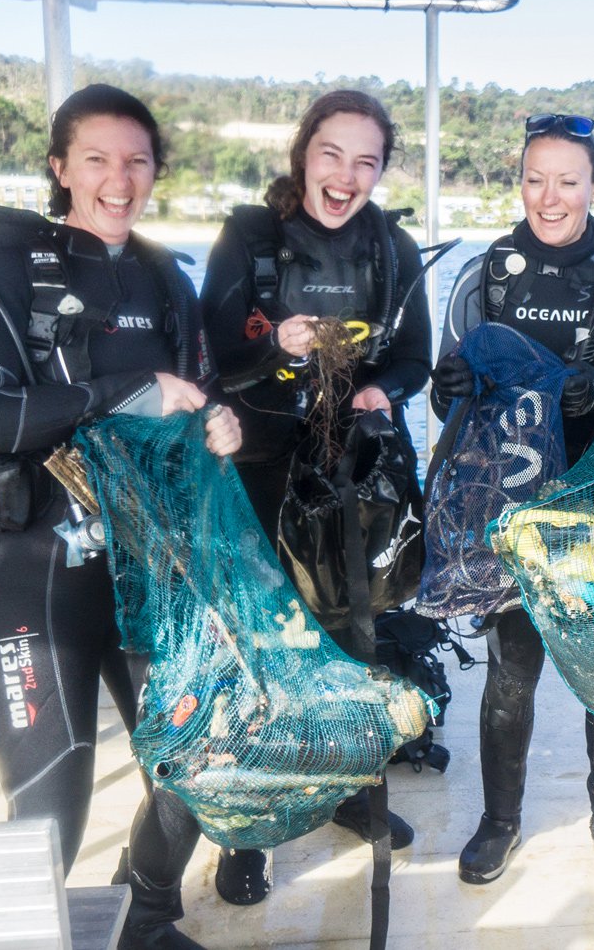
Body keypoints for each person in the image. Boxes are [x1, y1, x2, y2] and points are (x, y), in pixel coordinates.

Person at [0, 83, 242, 950]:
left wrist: (217, 420)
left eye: (138, 160)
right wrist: (125, 391)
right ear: (60, 167)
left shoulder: (163, 278)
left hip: (147, 568)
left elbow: (197, 394)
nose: (120, 178)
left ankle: (144, 915)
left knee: (197, 762)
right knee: (50, 807)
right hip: (29, 573)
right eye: (98, 158)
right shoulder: (3, 272)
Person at [199, 89, 430, 905]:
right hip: (257, 464)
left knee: (342, 642)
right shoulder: (249, 240)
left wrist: (381, 394)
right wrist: (277, 355)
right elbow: (213, 362)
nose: (347, 175)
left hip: (346, 471)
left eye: (366, 160)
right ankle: (243, 832)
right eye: (333, 153)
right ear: (304, 153)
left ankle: (342, 795)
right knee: (255, 647)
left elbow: (414, 361)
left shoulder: (392, 247)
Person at [430, 112, 594, 893]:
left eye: (568, 180)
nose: (550, 196)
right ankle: (499, 820)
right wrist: (446, 386)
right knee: (510, 671)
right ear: (518, 179)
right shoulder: (486, 275)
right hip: (511, 510)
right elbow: (446, 403)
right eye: (535, 179)